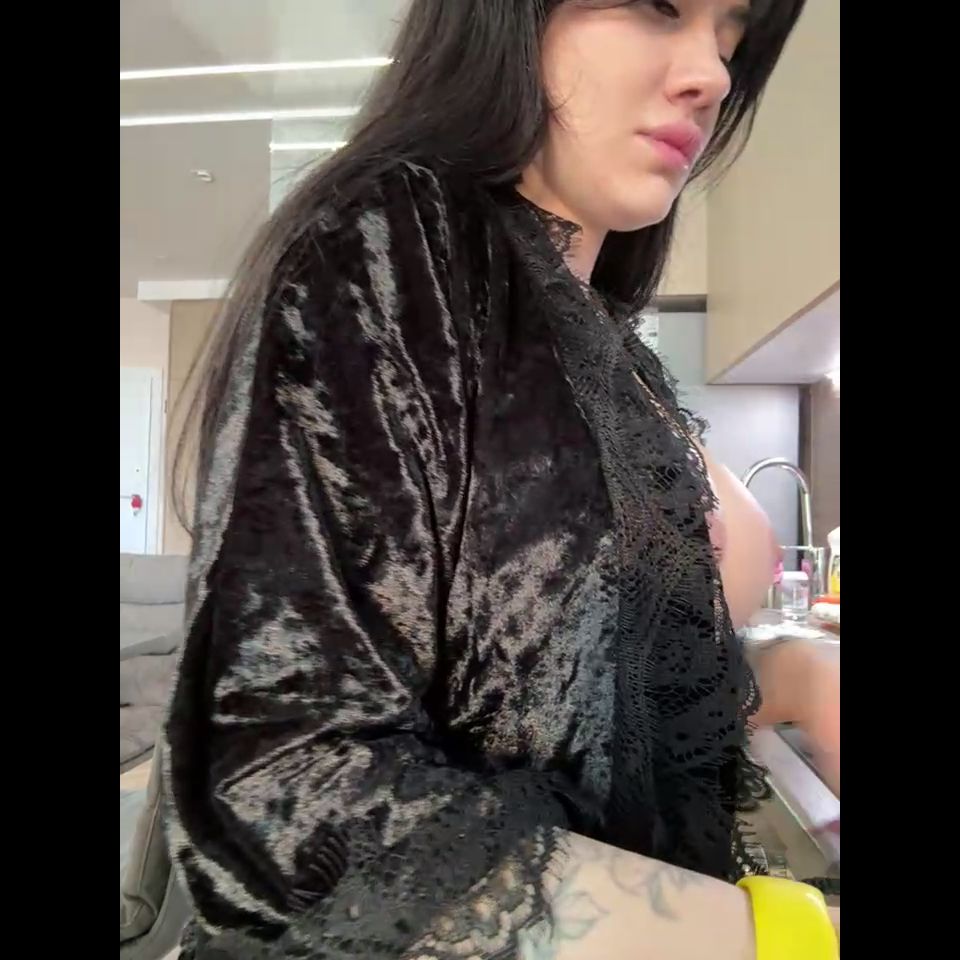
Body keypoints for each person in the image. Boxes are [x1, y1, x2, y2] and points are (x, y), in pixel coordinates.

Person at [165, 1, 839, 957]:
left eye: (731, 37)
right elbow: (286, 787)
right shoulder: (395, 251)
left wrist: (798, 672)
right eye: (657, 6)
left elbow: (588, 699)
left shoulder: (602, 344)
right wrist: (786, 938)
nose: (714, 76)